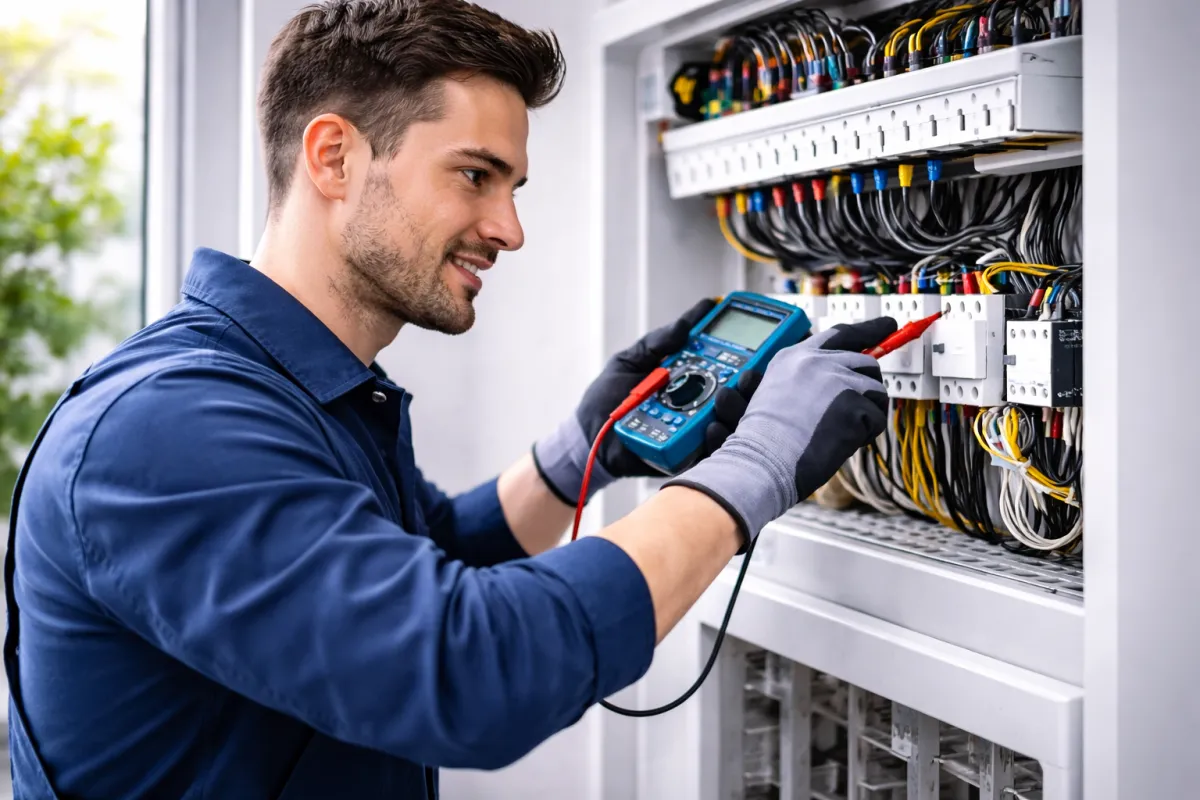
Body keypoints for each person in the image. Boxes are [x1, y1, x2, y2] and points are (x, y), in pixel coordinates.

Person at [5, 1, 895, 797]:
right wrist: (755, 469)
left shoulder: (301, 394)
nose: (509, 228)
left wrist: (579, 452)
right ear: (334, 157)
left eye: (513, 187)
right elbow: (467, 671)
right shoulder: (166, 427)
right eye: (475, 175)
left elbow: (419, 556)